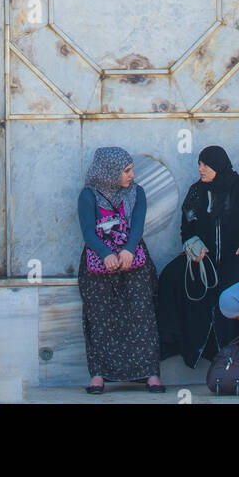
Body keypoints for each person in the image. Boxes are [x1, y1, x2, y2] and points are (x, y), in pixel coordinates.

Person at [157, 145, 239, 367]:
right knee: (170, 276)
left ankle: (230, 355)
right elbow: (187, 226)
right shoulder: (197, 191)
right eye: (199, 164)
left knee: (227, 293)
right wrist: (192, 245)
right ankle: (175, 343)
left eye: (206, 165)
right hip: (206, 259)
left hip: (238, 257)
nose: (201, 169)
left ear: (218, 165)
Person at [77, 146, 165, 394]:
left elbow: (138, 224)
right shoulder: (89, 196)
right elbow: (88, 232)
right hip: (99, 262)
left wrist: (127, 250)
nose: (131, 175)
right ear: (108, 171)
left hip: (133, 260)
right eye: (126, 171)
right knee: (100, 317)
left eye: (131, 169)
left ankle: (150, 373)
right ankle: (98, 375)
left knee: (142, 314)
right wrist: (106, 254)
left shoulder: (138, 193)